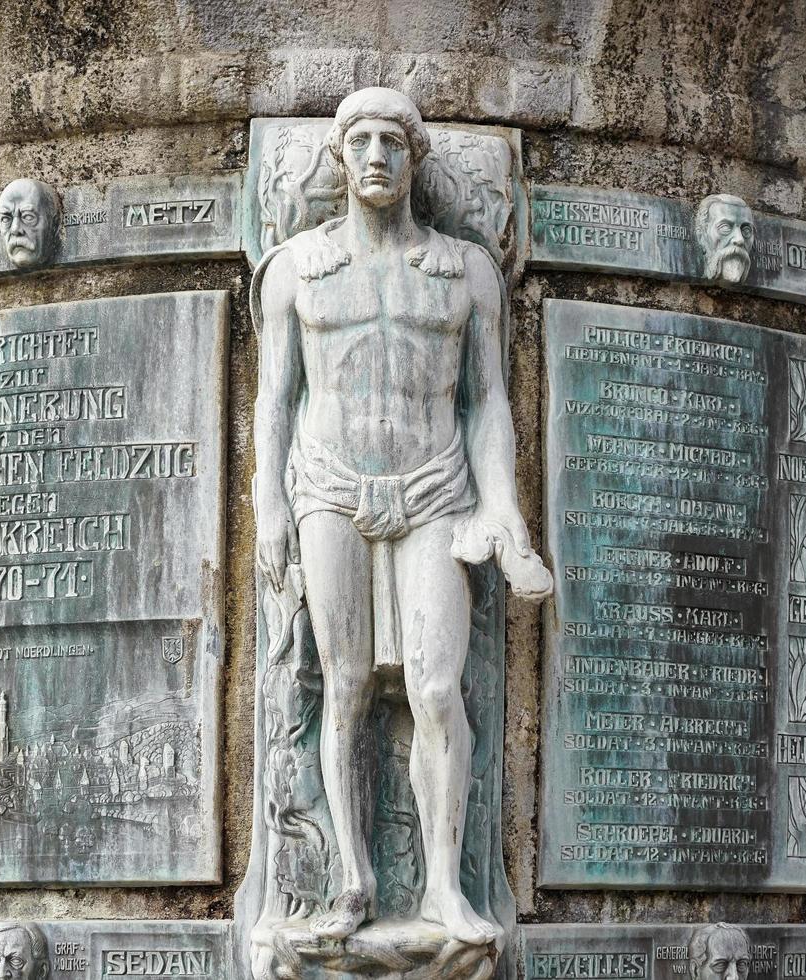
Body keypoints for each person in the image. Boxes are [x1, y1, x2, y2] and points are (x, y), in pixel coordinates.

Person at [252, 86, 551, 945]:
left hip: (433, 488)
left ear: (416, 158)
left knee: (432, 688)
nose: (377, 155)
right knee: (341, 687)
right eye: (362, 142)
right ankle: (350, 880)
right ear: (339, 159)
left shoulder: (463, 272)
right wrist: (268, 502)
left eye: (393, 141)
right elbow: (276, 400)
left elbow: (486, 403)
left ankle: (445, 889)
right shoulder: (298, 270)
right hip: (331, 488)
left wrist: (506, 513)